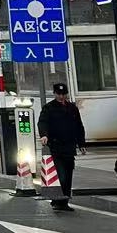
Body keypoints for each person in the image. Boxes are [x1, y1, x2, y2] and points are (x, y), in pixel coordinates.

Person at [38, 81, 87, 210]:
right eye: (59, 94)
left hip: (69, 146)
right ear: (54, 94)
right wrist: (44, 135)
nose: (61, 96)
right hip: (55, 146)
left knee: (68, 175)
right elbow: (43, 122)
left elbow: (79, 126)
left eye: (63, 94)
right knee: (61, 175)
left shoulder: (72, 108)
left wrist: (81, 143)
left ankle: (64, 201)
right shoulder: (49, 108)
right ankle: (56, 200)